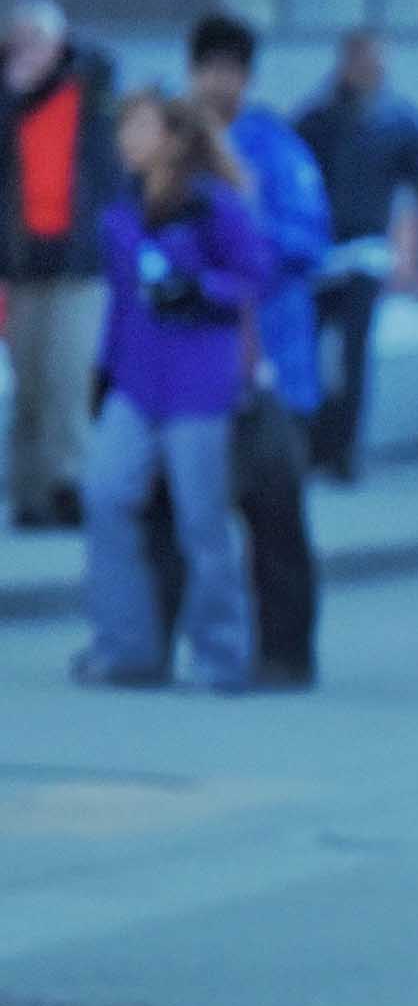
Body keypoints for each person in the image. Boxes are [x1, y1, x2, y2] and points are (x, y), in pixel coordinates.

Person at [74, 92, 269, 693]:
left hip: (199, 386)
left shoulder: (213, 205)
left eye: (140, 126)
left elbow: (257, 273)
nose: (127, 139)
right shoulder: (121, 213)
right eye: (123, 126)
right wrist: (103, 371)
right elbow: (120, 303)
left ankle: (220, 653)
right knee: (104, 495)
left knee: (202, 522)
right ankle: (128, 647)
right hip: (134, 381)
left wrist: (200, 288)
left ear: (173, 137)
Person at [181, 15, 331, 688]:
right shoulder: (176, 151)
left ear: (247, 77)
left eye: (228, 70)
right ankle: (183, 642)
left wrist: (237, 253)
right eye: (205, 69)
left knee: (274, 510)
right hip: (193, 365)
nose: (216, 83)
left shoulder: (277, 151)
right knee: (186, 510)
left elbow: (306, 243)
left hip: (275, 364)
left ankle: (288, 651)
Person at [291, 29, 418, 481]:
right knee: (312, 353)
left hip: (366, 253)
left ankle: (344, 451)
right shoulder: (315, 120)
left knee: (354, 355)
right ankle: (313, 444)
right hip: (318, 255)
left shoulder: (398, 123)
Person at [5, 0, 118, 531]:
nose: (25, 50)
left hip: (78, 266)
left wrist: (60, 54)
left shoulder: (86, 92)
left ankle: (69, 484)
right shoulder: (7, 104)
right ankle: (29, 492)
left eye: (36, 39)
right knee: (28, 384)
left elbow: (104, 65)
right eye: (16, 39)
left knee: (70, 380)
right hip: (23, 267)